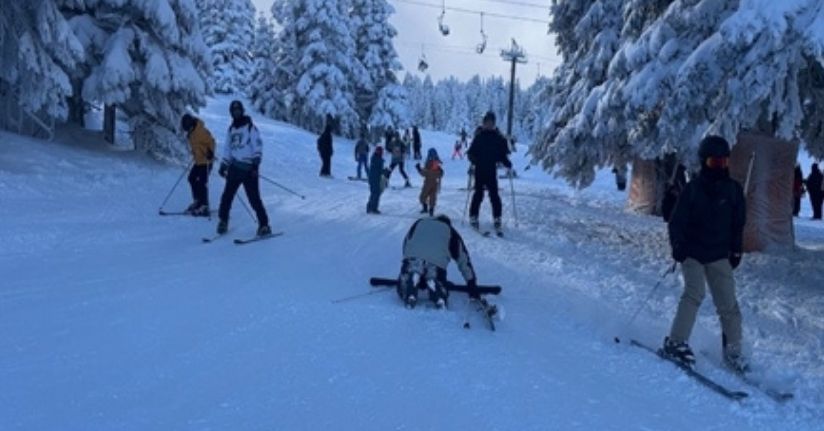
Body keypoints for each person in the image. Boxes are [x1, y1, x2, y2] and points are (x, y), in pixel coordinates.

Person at [664, 135, 747, 372]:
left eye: (723, 162)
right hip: (693, 252)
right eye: (714, 163)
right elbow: (676, 222)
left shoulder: (733, 190)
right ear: (704, 162)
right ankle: (676, 342)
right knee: (694, 293)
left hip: (719, 253)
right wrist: (677, 245)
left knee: (728, 305)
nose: (719, 167)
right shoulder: (693, 189)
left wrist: (736, 249)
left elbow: (738, 223)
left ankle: (733, 353)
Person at [397, 215, 478, 309]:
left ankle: (411, 276)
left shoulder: (420, 222)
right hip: (436, 264)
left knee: (410, 269)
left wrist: (407, 260)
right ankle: (435, 282)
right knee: (436, 275)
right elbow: (464, 260)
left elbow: (406, 243)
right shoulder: (451, 231)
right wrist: (471, 284)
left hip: (413, 258)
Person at [216, 100, 270, 236]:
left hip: (249, 169)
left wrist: (256, 165)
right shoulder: (231, 129)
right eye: (234, 111)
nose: (236, 113)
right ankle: (223, 221)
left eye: (238, 110)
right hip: (234, 168)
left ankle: (264, 225)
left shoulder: (250, 127)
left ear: (242, 111)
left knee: (254, 199)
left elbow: (257, 146)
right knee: (227, 197)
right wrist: (224, 164)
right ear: (231, 113)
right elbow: (228, 148)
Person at [467, 111, 512, 235]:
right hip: (480, 169)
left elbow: (502, 154)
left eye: (491, 123)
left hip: (491, 170)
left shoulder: (498, 138)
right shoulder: (479, 136)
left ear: (494, 123)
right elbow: (470, 152)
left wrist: (507, 162)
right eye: (487, 122)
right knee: (478, 194)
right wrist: (473, 159)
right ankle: (473, 216)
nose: (489, 125)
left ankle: (497, 218)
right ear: (484, 123)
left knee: (494, 195)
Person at [180, 113, 215, 217]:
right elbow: (196, 145)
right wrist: (195, 154)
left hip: (207, 161)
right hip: (198, 161)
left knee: (202, 182)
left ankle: (205, 205)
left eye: (187, 127)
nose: (187, 130)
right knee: (191, 178)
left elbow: (211, 141)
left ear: (190, 124)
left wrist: (210, 152)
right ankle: (198, 201)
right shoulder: (191, 133)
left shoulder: (200, 131)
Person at [416, 148, 443, 216]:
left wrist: (419, 169)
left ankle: (426, 208)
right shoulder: (436, 162)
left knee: (423, 196)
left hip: (428, 182)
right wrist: (440, 172)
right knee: (432, 197)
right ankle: (431, 210)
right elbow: (439, 173)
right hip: (435, 183)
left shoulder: (429, 162)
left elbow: (426, 173)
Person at [366, 146, 387, 214]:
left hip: (375, 178)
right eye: (379, 151)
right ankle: (372, 208)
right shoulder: (376, 158)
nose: (380, 152)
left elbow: (379, 169)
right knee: (375, 193)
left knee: (375, 193)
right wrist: (384, 171)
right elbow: (378, 169)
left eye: (380, 151)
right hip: (374, 178)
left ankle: (371, 207)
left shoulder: (377, 158)